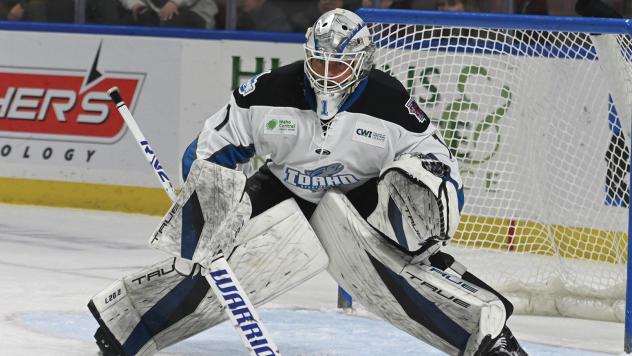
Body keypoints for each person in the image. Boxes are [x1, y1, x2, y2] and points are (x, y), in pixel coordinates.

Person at [88, 8, 527, 356]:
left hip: (360, 198)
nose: (324, 74)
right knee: (220, 259)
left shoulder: (390, 103)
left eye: (337, 67)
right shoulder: (268, 91)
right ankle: (129, 321)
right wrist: (212, 202)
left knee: (395, 275)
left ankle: (488, 339)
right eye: (318, 61)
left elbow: (437, 162)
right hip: (283, 188)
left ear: (362, 63)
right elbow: (209, 148)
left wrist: (423, 205)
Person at [119, 0, 218, 29]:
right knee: (125, 23)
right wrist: (135, 4)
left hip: (196, 13)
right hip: (155, 15)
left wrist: (175, 2)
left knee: (176, 23)